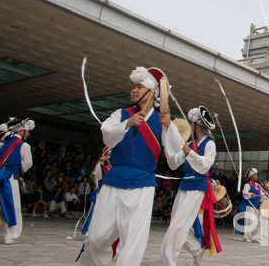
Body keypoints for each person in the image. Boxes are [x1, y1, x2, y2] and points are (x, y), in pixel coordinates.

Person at [79, 67, 177, 266]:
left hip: (142, 185)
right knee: (97, 235)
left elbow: (175, 159)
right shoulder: (121, 114)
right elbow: (107, 135)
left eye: (139, 87)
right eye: (133, 87)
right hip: (113, 180)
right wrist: (127, 123)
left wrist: (169, 128)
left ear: (151, 92)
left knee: (132, 239)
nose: (134, 90)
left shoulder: (162, 120)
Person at [160, 106, 221, 266]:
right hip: (185, 186)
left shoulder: (210, 144)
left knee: (177, 227)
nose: (189, 125)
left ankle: (169, 261)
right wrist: (169, 136)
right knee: (176, 224)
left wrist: (189, 152)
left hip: (199, 187)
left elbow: (205, 166)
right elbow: (173, 163)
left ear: (195, 124)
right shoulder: (190, 143)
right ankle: (195, 248)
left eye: (191, 122)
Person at [0, 118, 35, 244]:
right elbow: (27, 164)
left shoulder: (0, 143)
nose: (29, 134)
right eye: (28, 131)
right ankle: (9, 236)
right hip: (9, 178)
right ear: (21, 131)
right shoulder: (24, 145)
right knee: (11, 206)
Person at [241, 168, 263, 243]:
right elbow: (244, 193)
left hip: (257, 206)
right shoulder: (247, 185)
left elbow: (262, 195)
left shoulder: (259, 186)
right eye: (254, 175)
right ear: (250, 177)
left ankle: (256, 237)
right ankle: (247, 237)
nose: (256, 176)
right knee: (249, 221)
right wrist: (250, 194)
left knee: (258, 222)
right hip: (250, 205)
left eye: (256, 175)